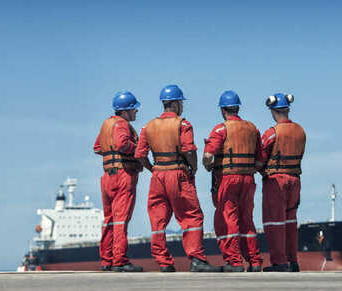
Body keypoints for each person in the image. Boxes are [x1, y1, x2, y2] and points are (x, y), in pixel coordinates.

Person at [135, 84, 220, 272]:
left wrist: (153, 169)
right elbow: (189, 150)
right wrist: (194, 168)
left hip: (158, 176)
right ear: (176, 103)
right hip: (178, 174)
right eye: (181, 102)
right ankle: (197, 259)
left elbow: (140, 155)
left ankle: (164, 262)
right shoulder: (183, 124)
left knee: (158, 219)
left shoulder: (147, 126)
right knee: (192, 215)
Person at [203, 90, 264, 272]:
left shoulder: (221, 129)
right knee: (247, 220)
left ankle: (234, 261)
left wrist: (208, 166)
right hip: (248, 179)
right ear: (237, 108)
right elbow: (260, 161)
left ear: (223, 110)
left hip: (228, 179)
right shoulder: (252, 128)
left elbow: (207, 156)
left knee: (228, 218)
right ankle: (254, 261)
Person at [93, 91, 144, 272]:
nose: (137, 112)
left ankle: (107, 260)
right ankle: (120, 261)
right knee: (121, 220)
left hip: (108, 176)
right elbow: (122, 144)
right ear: (126, 111)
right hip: (123, 175)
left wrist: (111, 153)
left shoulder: (107, 124)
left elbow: (97, 147)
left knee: (110, 220)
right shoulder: (122, 124)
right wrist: (138, 148)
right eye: (134, 109)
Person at [260, 93, 306, 272]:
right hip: (295, 180)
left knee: (274, 222)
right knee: (290, 222)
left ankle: (279, 262)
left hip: (276, 182)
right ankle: (293, 261)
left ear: (273, 111)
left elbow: (261, 156)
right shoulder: (300, 131)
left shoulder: (272, 133)